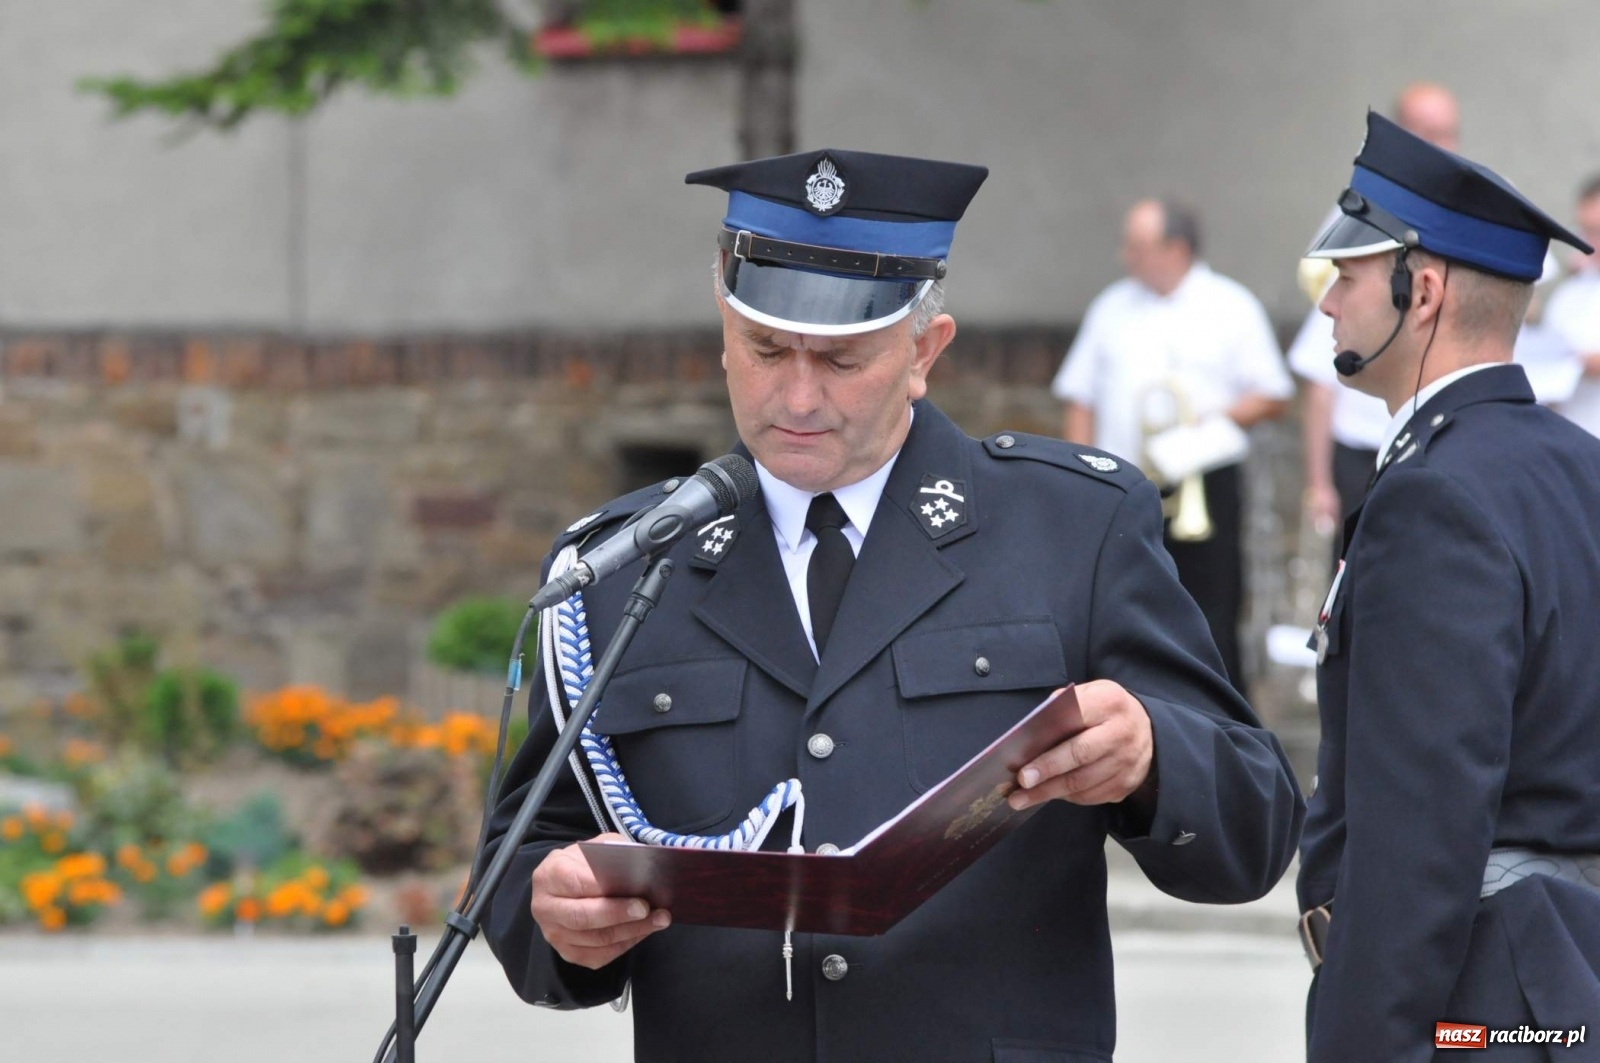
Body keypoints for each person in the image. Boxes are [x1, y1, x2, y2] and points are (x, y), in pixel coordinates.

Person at [479, 149, 1304, 1063]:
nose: (796, 394)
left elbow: (1255, 825)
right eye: (764, 350)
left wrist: (1153, 754)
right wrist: (554, 912)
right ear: (723, 328)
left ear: (924, 351)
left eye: (840, 359)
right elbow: (529, 854)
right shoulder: (629, 566)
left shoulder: (1071, 527)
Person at [1295, 112, 1600, 1062]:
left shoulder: (1433, 495)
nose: (1327, 305)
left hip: (1487, 997)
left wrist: (1364, 1043)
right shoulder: (1580, 463)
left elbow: (1420, 833)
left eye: (1345, 277)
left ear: (1418, 291)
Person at [1052, 198, 1293, 693]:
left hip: (1205, 480)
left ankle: (1224, 722)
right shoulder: (1110, 307)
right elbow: (1080, 395)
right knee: (1123, 605)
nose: (1126, 257)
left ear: (1176, 249)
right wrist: (1077, 471)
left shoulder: (1232, 305)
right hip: (1124, 482)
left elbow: (1273, 394)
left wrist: (1209, 418)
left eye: (1138, 246)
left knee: (1212, 608)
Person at [1293, 82, 1462, 535]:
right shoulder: (1362, 212)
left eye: (1445, 133)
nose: (1435, 146)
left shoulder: (1472, 217)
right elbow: (1319, 364)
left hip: (1442, 435)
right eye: (1422, 131)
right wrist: (1317, 482)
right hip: (1362, 441)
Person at [1543, 174, 1600, 436]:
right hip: (1576, 438)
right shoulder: (1568, 295)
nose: (1589, 243)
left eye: (1597, 231)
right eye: (1584, 230)